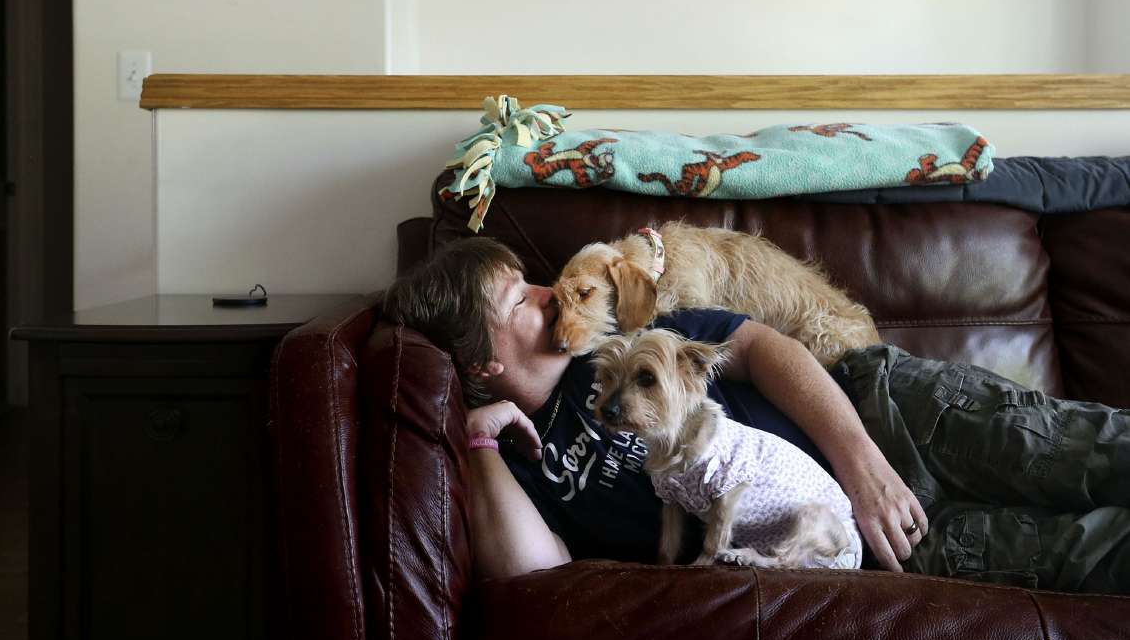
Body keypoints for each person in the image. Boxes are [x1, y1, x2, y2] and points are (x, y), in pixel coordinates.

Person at [382, 237, 1129, 593]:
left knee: (1093, 450)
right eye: (521, 299)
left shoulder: (610, 328)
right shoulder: (517, 462)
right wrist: (481, 437)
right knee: (1094, 559)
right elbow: (531, 576)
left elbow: (762, 348)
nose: (551, 292)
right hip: (858, 546)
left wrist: (863, 464)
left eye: (532, 281)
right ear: (482, 363)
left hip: (884, 414)